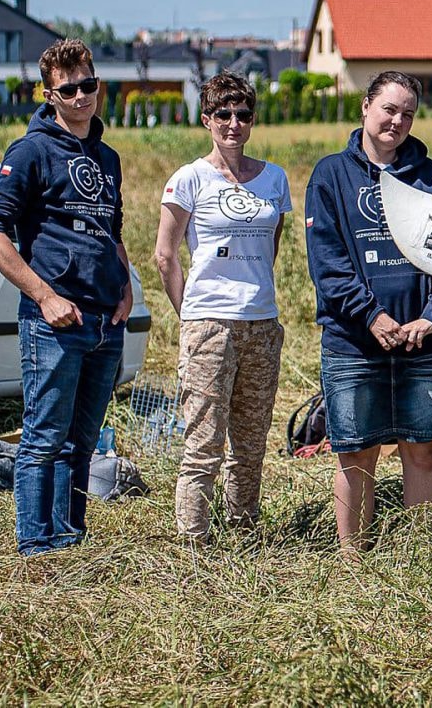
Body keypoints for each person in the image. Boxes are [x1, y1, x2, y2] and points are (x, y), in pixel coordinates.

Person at [0, 39, 133, 556]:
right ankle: (36, 547)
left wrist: (126, 287)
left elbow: (110, 230)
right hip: (55, 320)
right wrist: (44, 297)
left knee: (82, 444)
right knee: (43, 439)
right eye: (69, 90)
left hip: (104, 321)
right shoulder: (30, 151)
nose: (81, 96)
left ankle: (69, 539)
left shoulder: (107, 157)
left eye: (88, 85)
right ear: (50, 94)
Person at [305, 71, 432, 554]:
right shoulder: (330, 175)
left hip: (425, 343)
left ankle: (423, 561)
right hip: (354, 342)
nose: (397, 121)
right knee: (356, 454)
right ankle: (355, 563)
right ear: (365, 107)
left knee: (422, 452)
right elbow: (328, 264)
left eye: (408, 114)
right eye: (389, 109)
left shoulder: (431, 177)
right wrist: (372, 316)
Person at [154, 72, 290, 541]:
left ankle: (244, 529)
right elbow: (165, 255)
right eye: (224, 115)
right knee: (203, 443)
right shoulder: (189, 178)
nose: (234, 124)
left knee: (250, 444)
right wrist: (190, 313)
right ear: (207, 119)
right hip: (209, 323)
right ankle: (193, 541)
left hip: (261, 322)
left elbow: (272, 244)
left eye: (243, 115)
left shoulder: (274, 178)